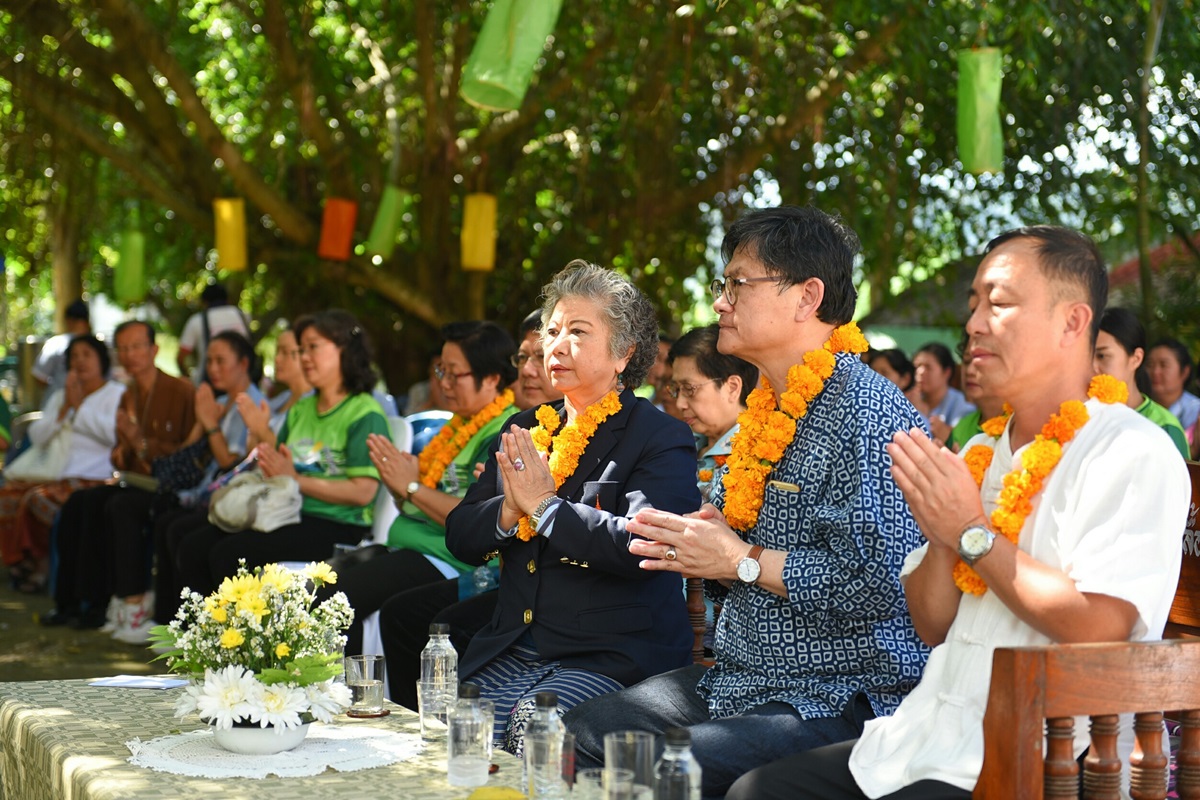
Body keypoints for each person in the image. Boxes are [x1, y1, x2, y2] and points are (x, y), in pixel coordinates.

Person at [725, 225, 1191, 800]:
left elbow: (1100, 625)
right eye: (973, 304)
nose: (973, 325)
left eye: (999, 303)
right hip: (928, 735)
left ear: (1072, 322)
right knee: (756, 792)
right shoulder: (978, 452)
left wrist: (970, 532)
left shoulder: (1129, 448)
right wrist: (943, 533)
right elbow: (933, 623)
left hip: (1043, 755)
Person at [562, 207, 929, 798]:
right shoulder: (766, 409)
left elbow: (878, 584)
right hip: (737, 679)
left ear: (807, 297)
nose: (721, 303)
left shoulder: (867, 413)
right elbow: (735, 554)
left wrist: (740, 559)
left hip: (835, 691)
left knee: (659, 769)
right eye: (723, 285)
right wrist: (697, 545)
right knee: (579, 732)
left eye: (738, 284)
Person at [446, 261, 700, 755]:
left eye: (577, 332)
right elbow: (460, 535)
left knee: (535, 732)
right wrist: (509, 511)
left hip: (608, 654)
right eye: (552, 330)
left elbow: (645, 544)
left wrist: (545, 508)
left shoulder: (661, 435)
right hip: (514, 645)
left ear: (624, 353)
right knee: (459, 733)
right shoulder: (524, 427)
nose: (555, 346)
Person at [377, 312, 562, 711]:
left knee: (433, 623)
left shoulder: (574, 428)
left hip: (532, 584)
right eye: (522, 358)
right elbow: (470, 523)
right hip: (491, 569)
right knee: (400, 612)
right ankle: (422, 725)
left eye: (540, 357)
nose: (527, 372)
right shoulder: (516, 427)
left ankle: (445, 724)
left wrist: (413, 488)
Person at [322, 320, 519, 658]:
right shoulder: (459, 424)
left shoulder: (503, 431)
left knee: (341, 602)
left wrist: (411, 487)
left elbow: (474, 520)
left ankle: (352, 698)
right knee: (323, 583)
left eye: (454, 374)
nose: (443, 384)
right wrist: (400, 486)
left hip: (447, 559)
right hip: (408, 545)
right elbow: (419, 504)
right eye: (440, 371)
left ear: (492, 378)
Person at [172, 309, 389, 594]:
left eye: (313, 348)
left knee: (229, 555)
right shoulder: (302, 409)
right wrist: (261, 432)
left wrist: (296, 479)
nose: (305, 358)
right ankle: (200, 634)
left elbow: (362, 492)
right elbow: (279, 463)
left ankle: (236, 636)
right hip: (288, 510)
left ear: (344, 351)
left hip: (337, 524)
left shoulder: (364, 413)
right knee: (192, 544)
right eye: (302, 349)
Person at [109, 331, 264, 643]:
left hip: (231, 496)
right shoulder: (219, 402)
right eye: (210, 361)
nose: (213, 368)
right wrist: (202, 423)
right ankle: (165, 621)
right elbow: (187, 451)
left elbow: (232, 463)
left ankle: (185, 626)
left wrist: (209, 423)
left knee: (177, 527)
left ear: (244, 363)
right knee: (159, 518)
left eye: (221, 361)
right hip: (201, 490)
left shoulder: (254, 404)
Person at [45, 321, 196, 628]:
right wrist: (123, 449)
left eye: (136, 347)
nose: (129, 355)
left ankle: (127, 600)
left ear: (153, 350)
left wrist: (140, 443)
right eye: (123, 349)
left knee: (117, 506)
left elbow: (189, 452)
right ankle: (77, 601)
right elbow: (124, 451)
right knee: (82, 502)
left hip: (170, 485)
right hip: (136, 479)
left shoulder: (181, 390)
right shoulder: (129, 393)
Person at [0, 335, 124, 592]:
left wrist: (79, 408)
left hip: (94, 475)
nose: (79, 361)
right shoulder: (61, 395)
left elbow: (112, 435)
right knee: (8, 495)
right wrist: (65, 407)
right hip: (54, 472)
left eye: (86, 355)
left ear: (101, 360)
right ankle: (25, 562)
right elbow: (38, 436)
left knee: (36, 500)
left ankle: (42, 566)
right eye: (74, 356)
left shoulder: (116, 394)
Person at [665, 324, 758, 502]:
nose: (680, 403)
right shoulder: (680, 445)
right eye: (676, 389)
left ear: (732, 388)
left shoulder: (761, 455)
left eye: (689, 389)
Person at [1094, 308, 1189, 460]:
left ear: (1136, 358)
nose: (1093, 367)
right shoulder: (1085, 416)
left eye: (1102, 356)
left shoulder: (1164, 426)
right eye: (1087, 356)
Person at [176, 283, 252, 386]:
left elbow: (181, 356)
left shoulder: (197, 321)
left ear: (204, 302)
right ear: (227, 299)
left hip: (210, 385)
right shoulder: (243, 316)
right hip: (241, 383)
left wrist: (187, 376)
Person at [913, 342, 975, 446]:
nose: (920, 372)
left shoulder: (963, 408)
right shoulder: (911, 399)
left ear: (947, 372)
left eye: (928, 367)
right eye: (917, 366)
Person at [32, 299, 91, 404]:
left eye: (86, 355)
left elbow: (40, 378)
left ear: (68, 320)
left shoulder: (55, 344)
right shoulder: (99, 346)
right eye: (74, 356)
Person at [1147, 337, 1200, 446]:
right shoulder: (1136, 406)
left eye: (1164, 365)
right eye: (1150, 364)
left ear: (1185, 372)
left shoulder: (1196, 411)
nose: (1155, 372)